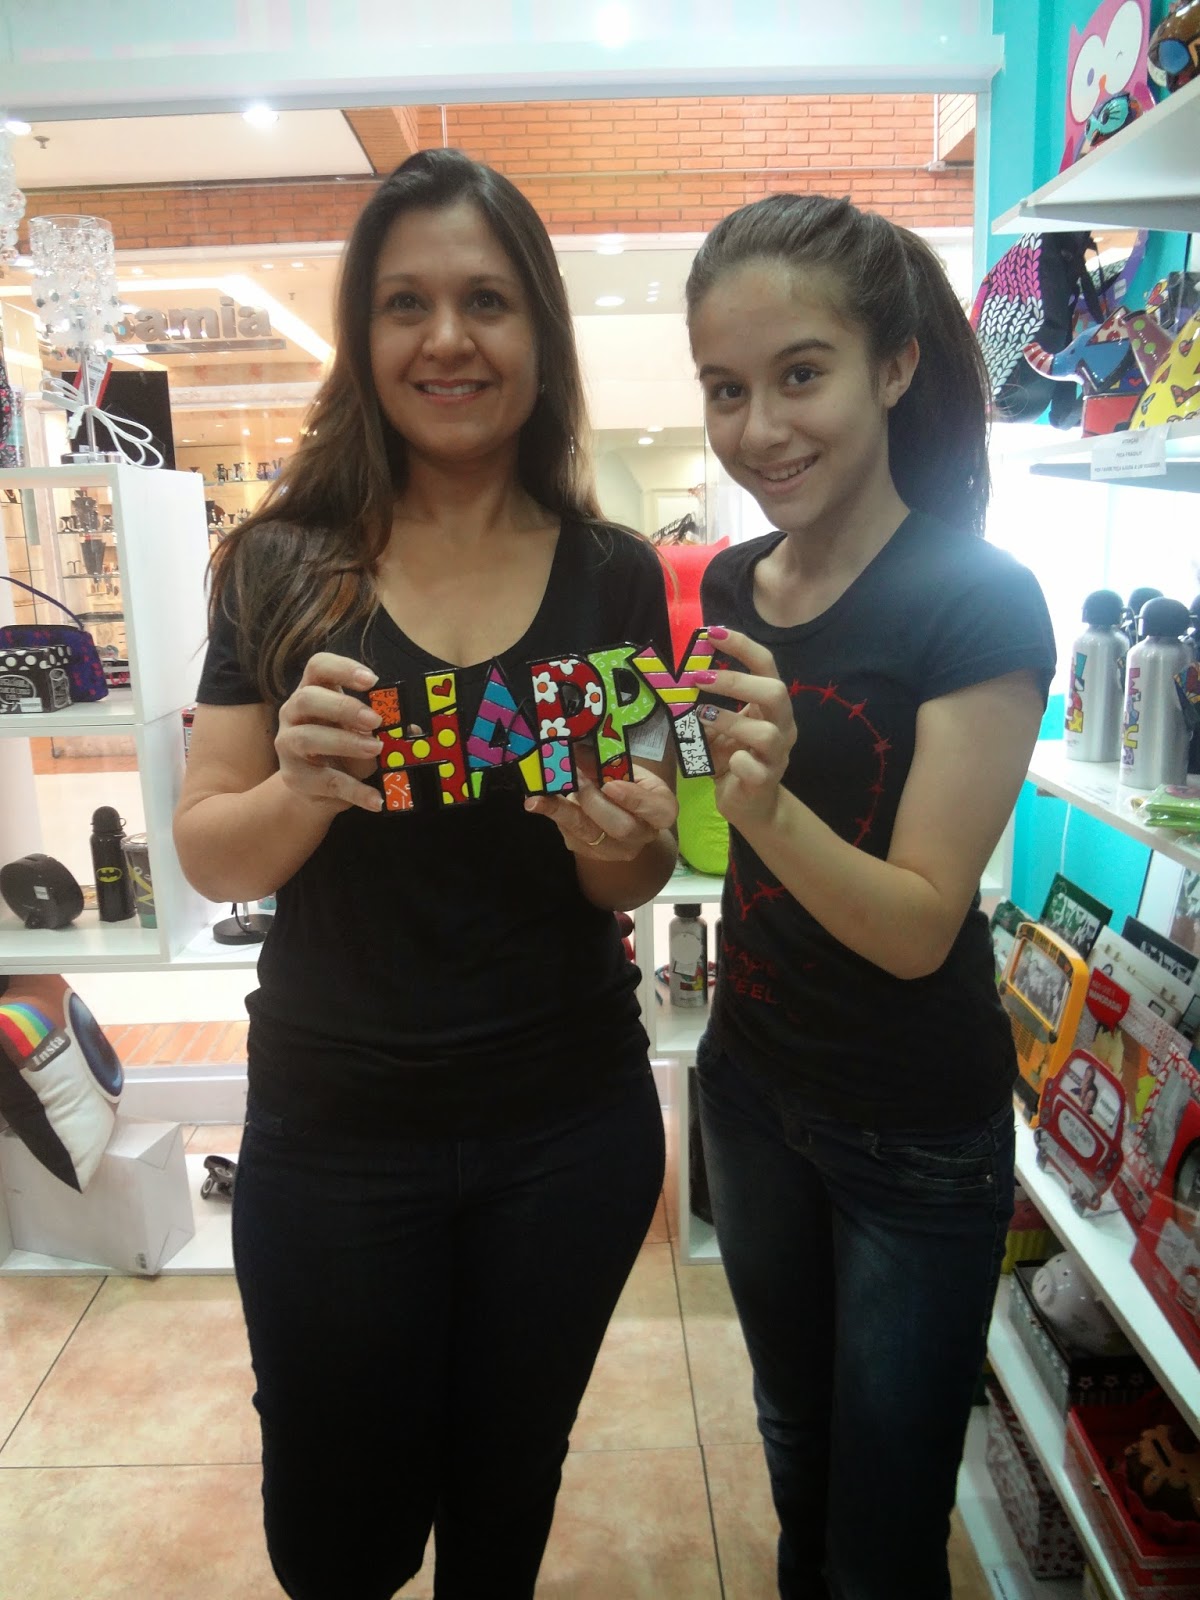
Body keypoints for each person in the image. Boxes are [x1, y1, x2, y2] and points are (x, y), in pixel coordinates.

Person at [173, 149, 679, 1600]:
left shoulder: (615, 573)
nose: (447, 339)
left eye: (486, 301)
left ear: (540, 334)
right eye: (406, 303)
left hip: (565, 1125)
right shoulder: (279, 566)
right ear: (364, 332)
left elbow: (630, 880)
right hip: (337, 1128)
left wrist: (621, 840)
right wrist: (298, 788)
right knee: (334, 1532)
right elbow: (208, 846)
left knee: (506, 1499)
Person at [683, 193, 1057, 1600]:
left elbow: (916, 923)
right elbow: (719, 821)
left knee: (887, 1515)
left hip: (912, 1130)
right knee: (797, 1444)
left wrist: (763, 804)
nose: (760, 428)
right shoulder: (733, 583)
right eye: (727, 388)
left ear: (893, 364)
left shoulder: (979, 600)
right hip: (751, 1088)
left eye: (801, 374)